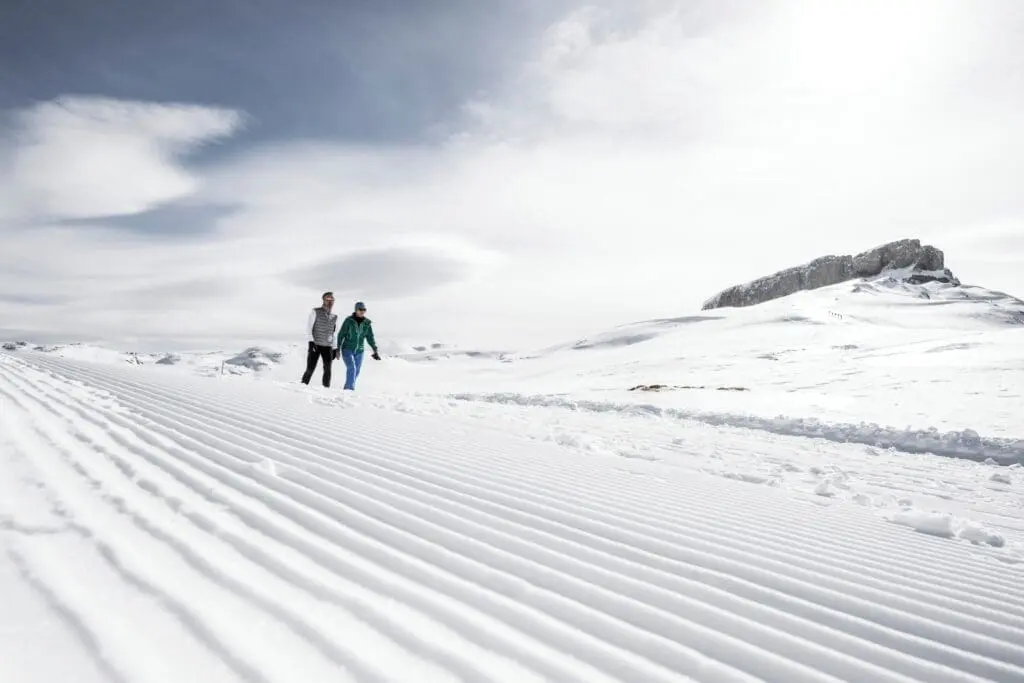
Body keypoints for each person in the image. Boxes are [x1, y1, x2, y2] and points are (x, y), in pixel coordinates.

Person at [337, 300, 381, 390]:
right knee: (352, 368)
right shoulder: (348, 321)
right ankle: (349, 391)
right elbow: (341, 334)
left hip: (360, 351)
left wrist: (375, 349)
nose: (362, 311)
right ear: (356, 310)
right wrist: (338, 348)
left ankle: (346, 390)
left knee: (356, 372)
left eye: (364, 309)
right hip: (347, 349)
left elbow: (370, 337)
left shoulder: (367, 323)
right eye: (360, 309)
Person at [301, 292, 339, 387]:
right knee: (310, 368)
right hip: (315, 344)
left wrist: (335, 348)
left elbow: (333, 333)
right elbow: (309, 328)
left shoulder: (334, 317)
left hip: (328, 346)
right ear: (323, 300)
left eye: (332, 300)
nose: (330, 301)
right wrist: (311, 342)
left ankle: (326, 390)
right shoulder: (315, 311)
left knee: (328, 369)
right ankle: (302, 388)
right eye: (328, 299)